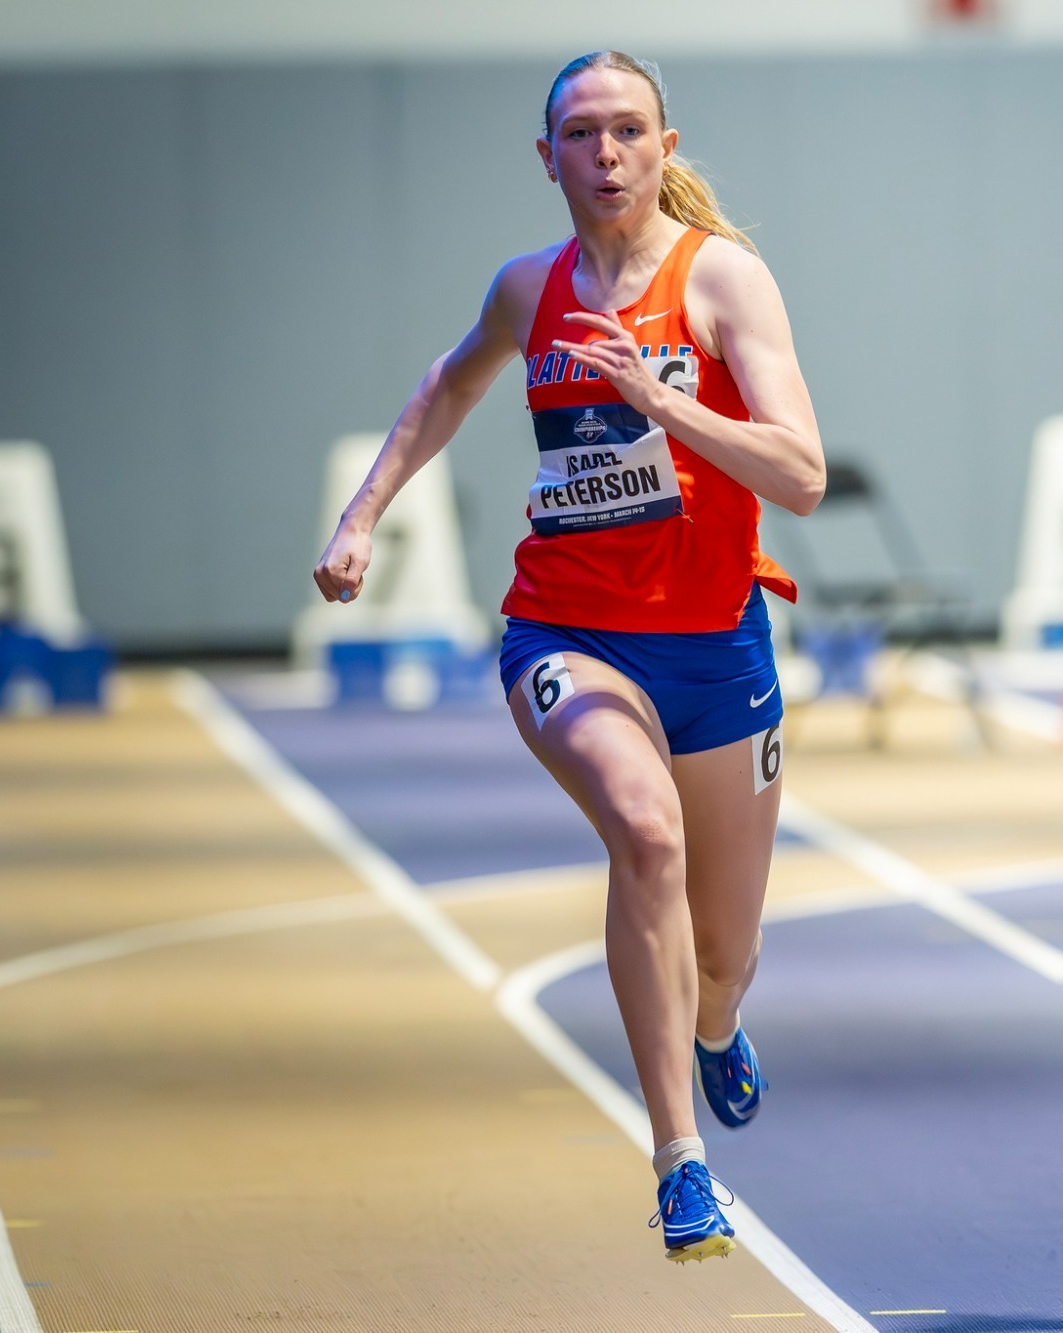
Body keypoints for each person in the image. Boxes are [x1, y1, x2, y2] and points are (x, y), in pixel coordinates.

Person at [312, 51, 823, 1262]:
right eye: (580, 135)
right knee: (643, 833)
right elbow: (448, 386)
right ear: (545, 157)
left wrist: (664, 403)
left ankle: (716, 1022)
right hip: (567, 630)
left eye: (626, 131)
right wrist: (360, 515)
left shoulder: (723, 285)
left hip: (713, 643)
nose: (604, 155)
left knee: (725, 951)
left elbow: (799, 473)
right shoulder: (525, 289)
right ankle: (677, 1161)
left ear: (664, 146)